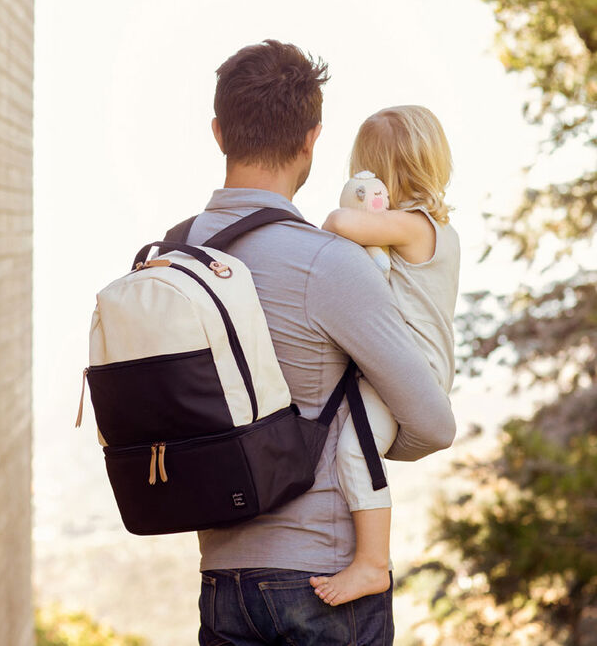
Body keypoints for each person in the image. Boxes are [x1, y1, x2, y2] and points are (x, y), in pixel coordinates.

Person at [185, 40, 456, 646]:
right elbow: (434, 424)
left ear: (218, 132)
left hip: (221, 579)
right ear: (312, 139)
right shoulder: (327, 264)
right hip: (320, 584)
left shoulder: (180, 255)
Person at [309, 106, 460, 607]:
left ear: (377, 174)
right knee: (352, 447)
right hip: (402, 367)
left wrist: (358, 200)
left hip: (413, 372)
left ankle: (373, 563)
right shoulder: (411, 231)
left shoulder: (416, 227)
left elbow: (337, 222)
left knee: (356, 451)